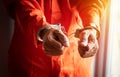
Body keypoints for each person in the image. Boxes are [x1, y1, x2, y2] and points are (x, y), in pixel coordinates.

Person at [3, 0, 107, 77]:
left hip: (75, 56)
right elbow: (20, 3)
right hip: (32, 56)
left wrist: (92, 25)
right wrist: (41, 28)